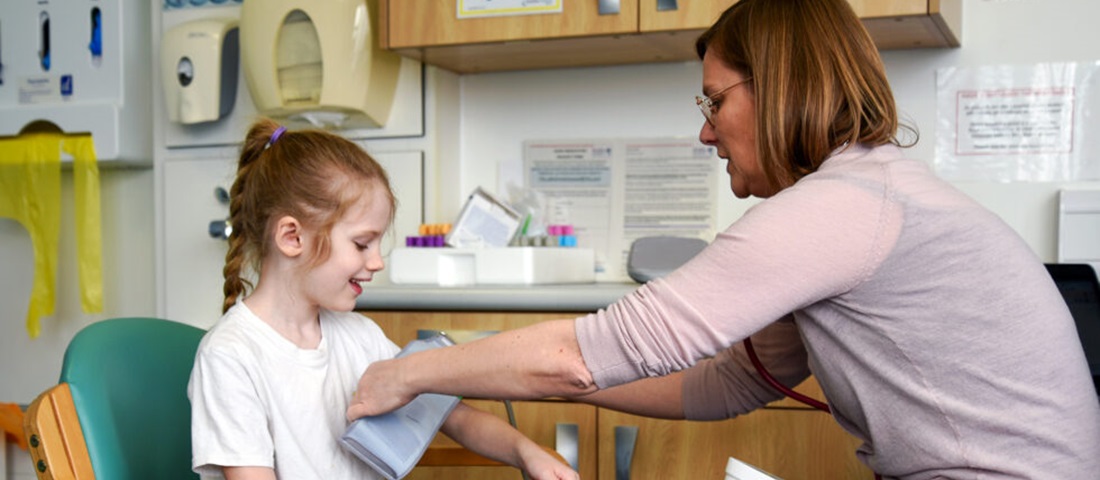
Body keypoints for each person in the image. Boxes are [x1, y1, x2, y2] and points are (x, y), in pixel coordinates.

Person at [346, 0, 1100, 478]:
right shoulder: (868, 193)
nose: (705, 130)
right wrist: (475, 362)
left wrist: (412, 375)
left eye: (715, 100)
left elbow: (578, 360)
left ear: (784, 86)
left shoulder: (838, 207)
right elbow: (729, 384)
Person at [188, 118, 578, 480]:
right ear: (292, 237)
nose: (376, 262)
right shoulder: (230, 357)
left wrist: (526, 451)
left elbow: (456, 417)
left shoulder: (360, 337)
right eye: (361, 244)